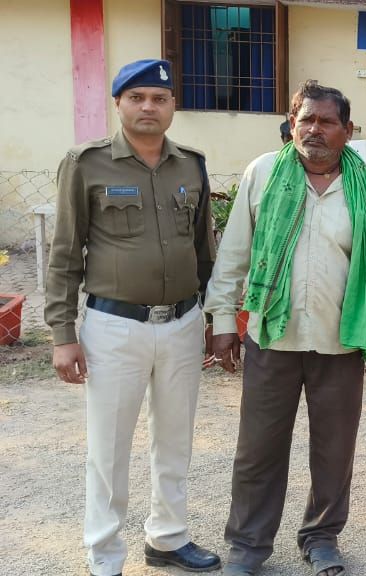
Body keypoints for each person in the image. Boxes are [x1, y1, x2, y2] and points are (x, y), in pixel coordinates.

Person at [205, 80, 366, 576]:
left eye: (326, 121)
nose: (314, 129)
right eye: (305, 119)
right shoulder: (263, 174)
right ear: (292, 123)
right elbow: (234, 253)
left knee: (334, 451)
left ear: (347, 130)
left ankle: (321, 537)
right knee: (258, 449)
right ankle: (248, 545)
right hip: (273, 337)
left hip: (341, 341)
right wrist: (223, 320)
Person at [45, 58, 221, 576]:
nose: (149, 107)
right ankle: (104, 556)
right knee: (109, 448)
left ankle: (168, 538)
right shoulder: (86, 163)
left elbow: (203, 249)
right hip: (115, 327)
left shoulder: (191, 165)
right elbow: (64, 254)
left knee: (175, 440)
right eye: (137, 97)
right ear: (118, 103)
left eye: (160, 99)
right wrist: (62, 334)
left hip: (182, 324)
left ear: (173, 106)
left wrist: (216, 317)